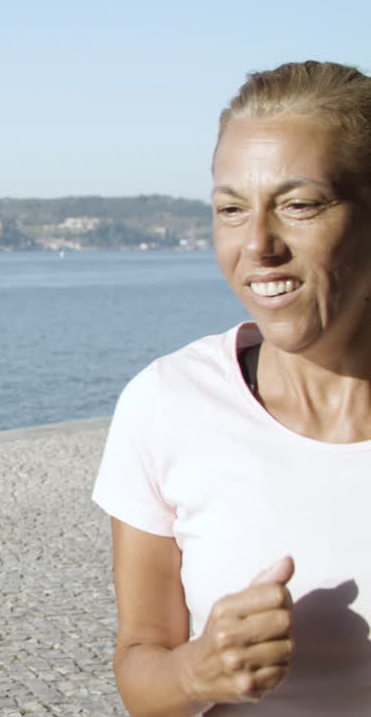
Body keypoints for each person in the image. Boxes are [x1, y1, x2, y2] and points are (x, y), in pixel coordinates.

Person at [93, 60, 371, 715]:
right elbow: (141, 669)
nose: (257, 245)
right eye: (230, 209)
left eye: (300, 205)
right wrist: (198, 670)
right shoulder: (167, 404)